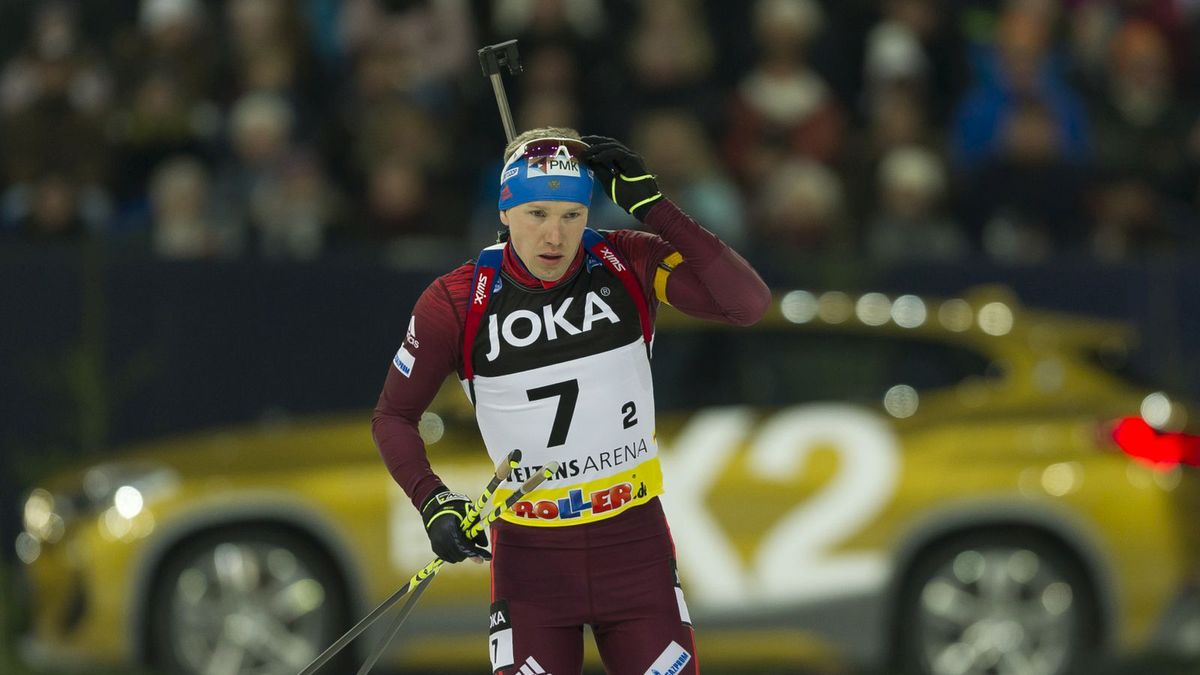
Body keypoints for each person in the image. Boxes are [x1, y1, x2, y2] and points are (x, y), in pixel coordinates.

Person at [372, 126, 770, 675]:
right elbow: (393, 416)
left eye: (571, 215)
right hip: (532, 562)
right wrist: (432, 500)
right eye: (536, 214)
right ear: (505, 212)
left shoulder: (628, 259)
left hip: (633, 547)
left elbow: (747, 304)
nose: (554, 237)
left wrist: (655, 208)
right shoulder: (456, 301)